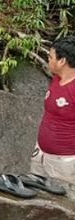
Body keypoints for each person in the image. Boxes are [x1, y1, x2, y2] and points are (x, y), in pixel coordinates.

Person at [31, 36, 75, 185]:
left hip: (65, 162)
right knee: (36, 196)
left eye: (51, 57)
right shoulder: (57, 78)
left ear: (62, 61)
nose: (48, 59)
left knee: (64, 203)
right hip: (41, 153)